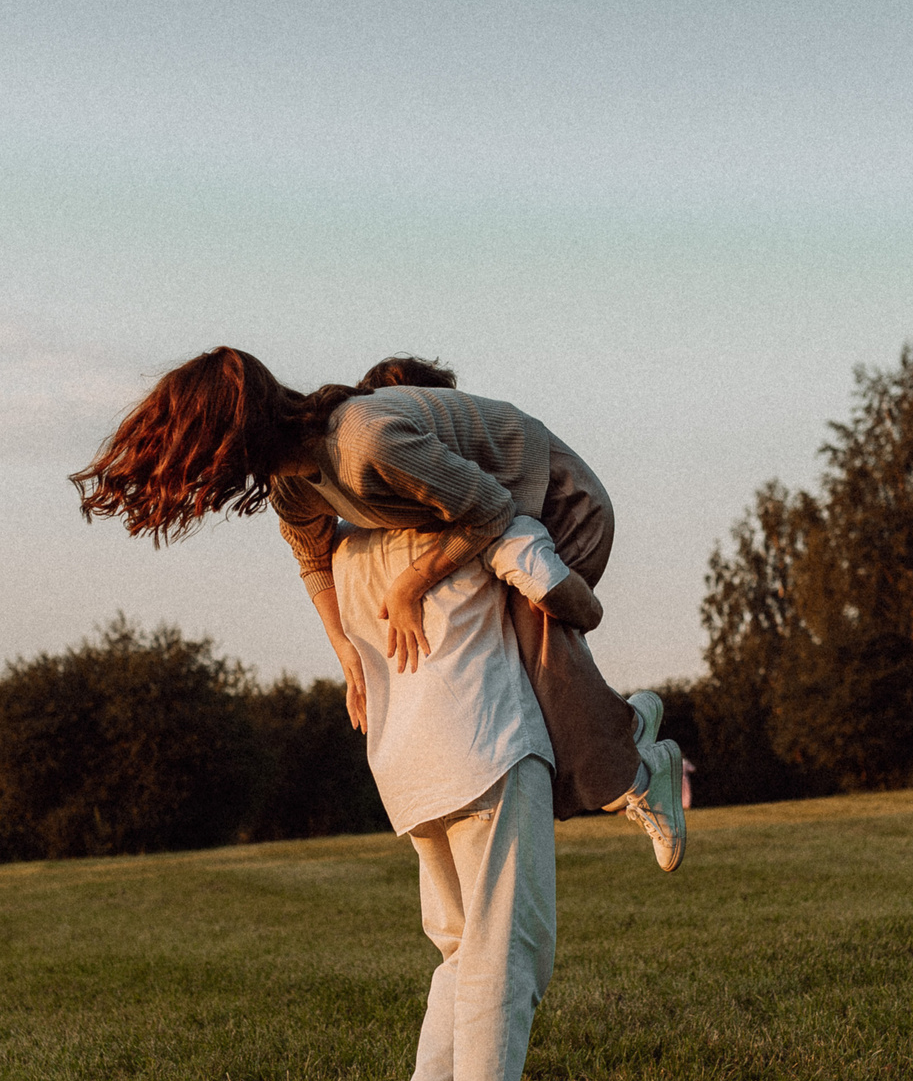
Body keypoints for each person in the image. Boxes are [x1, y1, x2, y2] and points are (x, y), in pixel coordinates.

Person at [69, 346, 688, 868]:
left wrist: (410, 584)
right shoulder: (294, 482)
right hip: (500, 518)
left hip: (554, 500)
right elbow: (312, 559)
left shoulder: (363, 444)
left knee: (536, 657)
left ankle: (636, 770)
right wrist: (346, 653)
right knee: (526, 694)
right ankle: (627, 733)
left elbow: (492, 506)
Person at [329, 515, 571, 1081]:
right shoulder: (475, 518)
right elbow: (554, 585)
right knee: (508, 950)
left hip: (409, 764)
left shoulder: (345, 548)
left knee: (462, 948)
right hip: (488, 741)